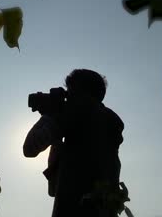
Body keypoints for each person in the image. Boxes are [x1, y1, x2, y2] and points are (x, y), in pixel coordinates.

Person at [23, 69, 125, 217]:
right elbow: (53, 189)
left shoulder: (85, 113)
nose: (67, 97)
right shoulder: (106, 120)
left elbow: (30, 149)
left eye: (70, 92)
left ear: (83, 93)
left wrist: (49, 114)